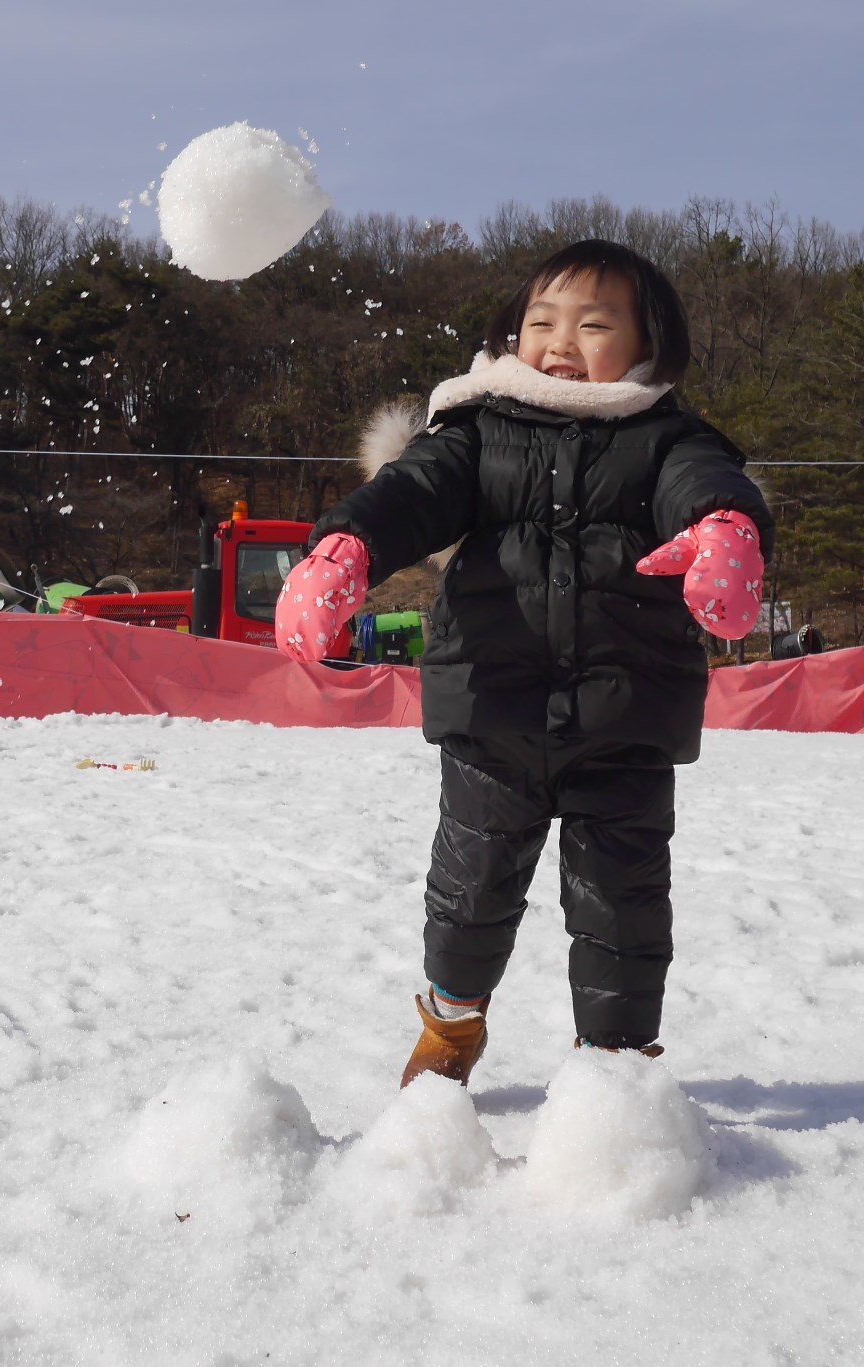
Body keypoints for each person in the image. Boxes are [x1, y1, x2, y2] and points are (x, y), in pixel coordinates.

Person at [275, 239, 774, 1088]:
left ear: (648, 344)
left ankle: (613, 1075)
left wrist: (729, 530)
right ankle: (451, 1029)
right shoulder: (478, 428)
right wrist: (347, 546)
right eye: (541, 322)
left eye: (592, 324)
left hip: (623, 721)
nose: (561, 342)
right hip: (491, 714)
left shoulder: (665, 439)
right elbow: (414, 491)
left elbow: (709, 483)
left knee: (624, 910)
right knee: (468, 898)